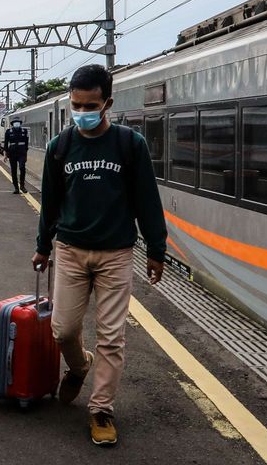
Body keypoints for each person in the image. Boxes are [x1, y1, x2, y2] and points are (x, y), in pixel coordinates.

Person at [31, 64, 167, 447]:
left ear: (107, 102)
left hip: (116, 253)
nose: (82, 112)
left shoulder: (129, 144)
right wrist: (43, 246)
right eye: (76, 105)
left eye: (90, 105)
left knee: (112, 337)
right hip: (71, 251)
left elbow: (147, 200)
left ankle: (102, 409)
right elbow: (51, 204)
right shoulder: (61, 146)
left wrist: (157, 249)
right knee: (64, 329)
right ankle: (79, 365)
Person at [1, 118, 29, 192]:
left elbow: (26, 144)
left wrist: (26, 154)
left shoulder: (24, 131)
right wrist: (5, 155)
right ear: (12, 124)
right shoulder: (8, 132)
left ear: (20, 124)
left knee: (22, 168)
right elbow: (6, 144)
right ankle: (16, 188)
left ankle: (22, 186)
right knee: (13, 170)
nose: (17, 124)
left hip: (22, 153)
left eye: (18, 123)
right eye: (15, 123)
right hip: (12, 153)